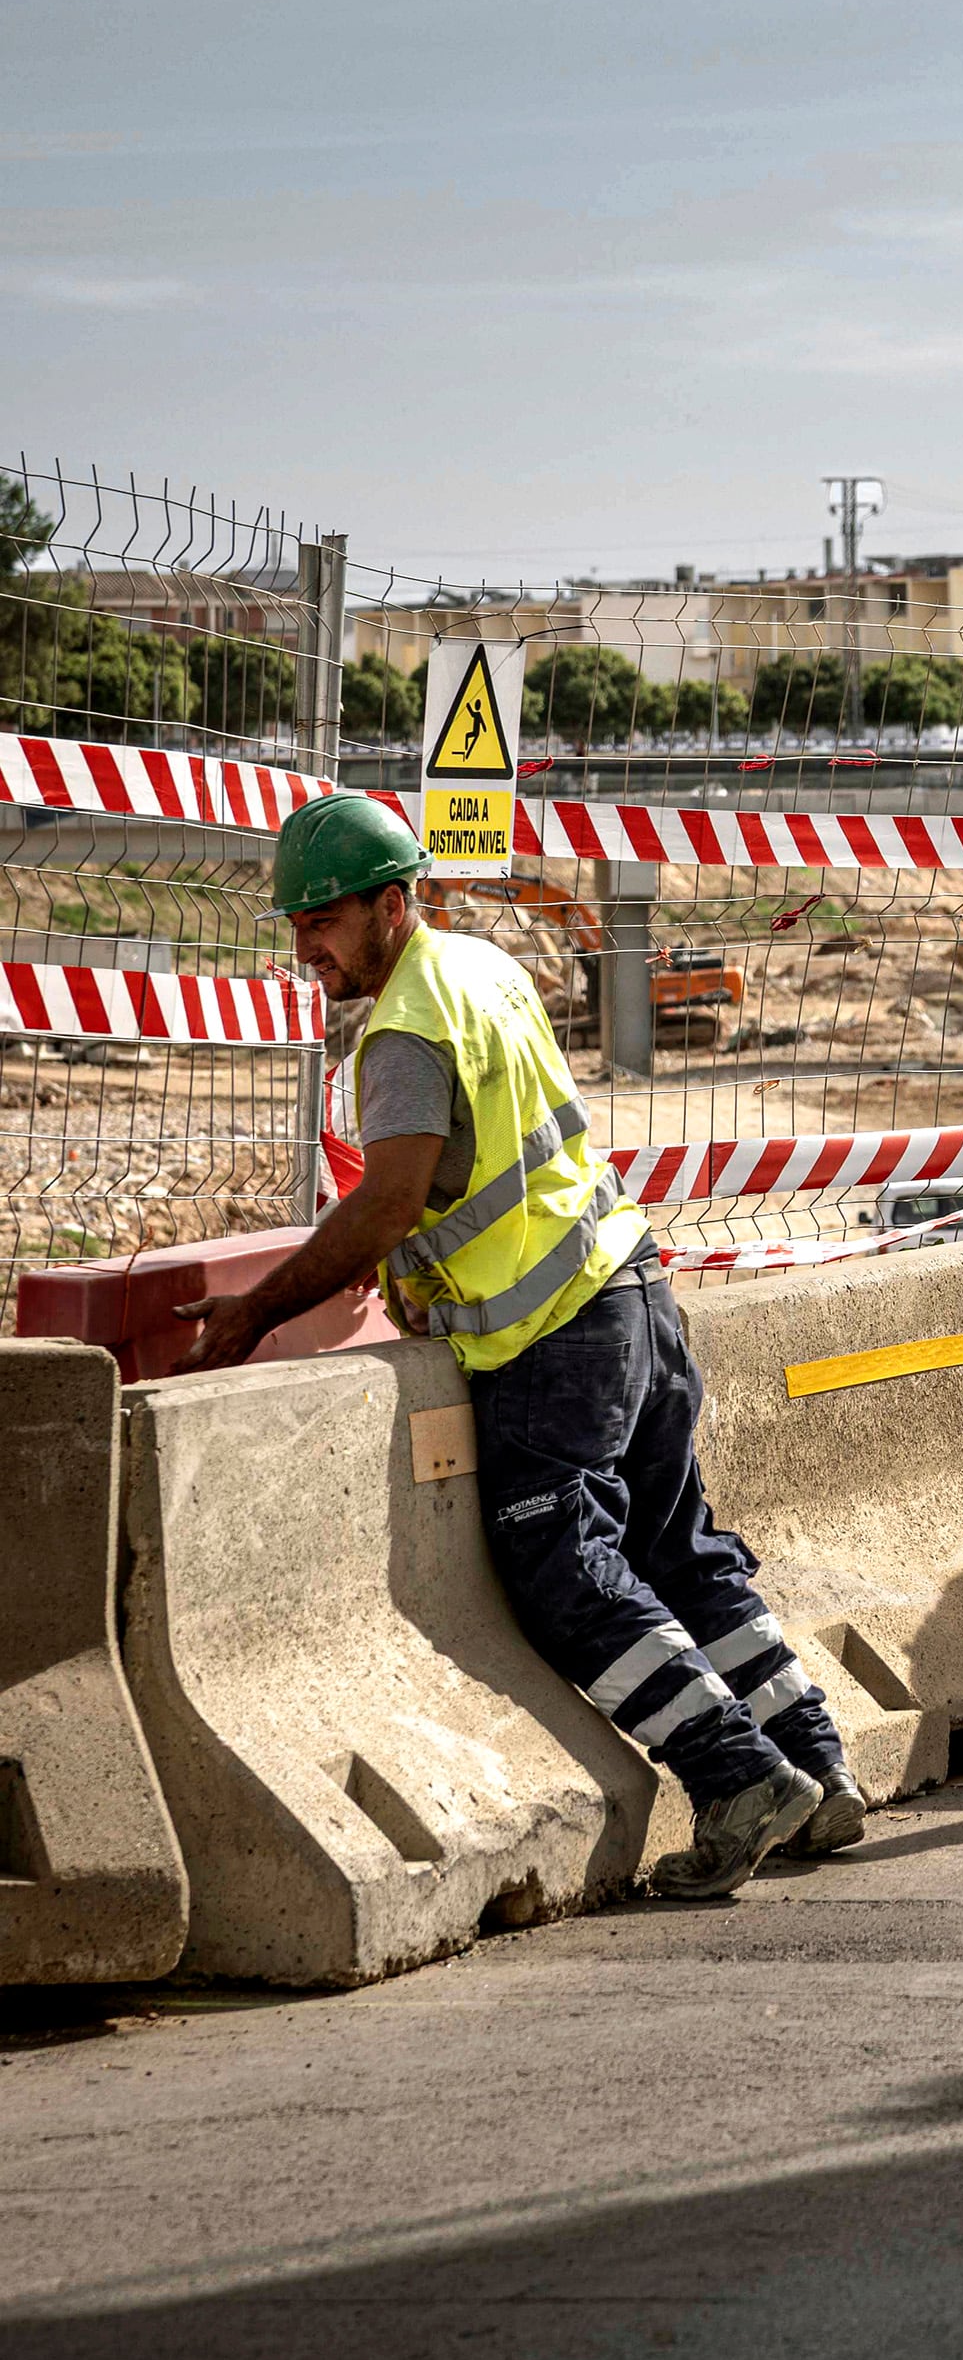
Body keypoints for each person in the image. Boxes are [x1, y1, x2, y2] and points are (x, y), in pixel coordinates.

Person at [173, 793, 859, 1900]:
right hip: (632, 1290)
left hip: (552, 1338)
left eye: (327, 920)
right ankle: (819, 1770)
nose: (308, 947)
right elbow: (481, 1167)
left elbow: (391, 1198)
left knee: (564, 1569)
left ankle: (737, 1778)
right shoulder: (480, 965)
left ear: (392, 905)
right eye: (296, 925)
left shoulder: (402, 1027)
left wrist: (254, 1309)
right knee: (679, 1549)